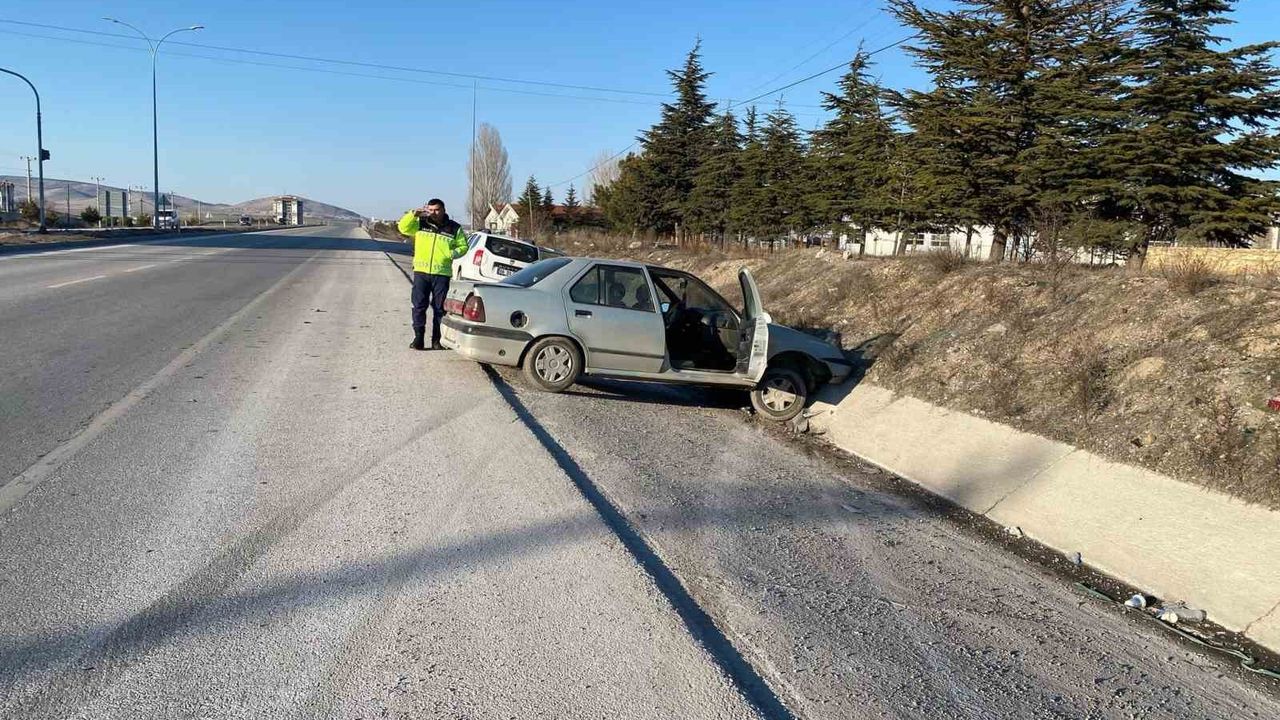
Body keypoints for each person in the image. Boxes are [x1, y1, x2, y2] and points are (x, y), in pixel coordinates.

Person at [398, 198, 469, 350]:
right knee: (418, 306)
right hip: (421, 272)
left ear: (443, 209)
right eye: (430, 210)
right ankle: (418, 338)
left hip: (441, 273)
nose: (433, 213)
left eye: (436, 210)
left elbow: (463, 246)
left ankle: (437, 340)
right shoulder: (420, 223)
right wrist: (412, 214)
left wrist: (451, 253)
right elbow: (403, 228)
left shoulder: (454, 228)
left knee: (439, 308)